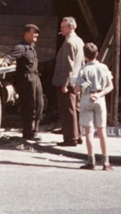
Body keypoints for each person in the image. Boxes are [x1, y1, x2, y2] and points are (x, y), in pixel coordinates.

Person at [74, 43, 114, 171]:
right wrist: (99, 95)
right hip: (100, 98)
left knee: (89, 132)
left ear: (84, 56)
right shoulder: (103, 67)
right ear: (97, 54)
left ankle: (91, 162)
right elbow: (110, 86)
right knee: (102, 131)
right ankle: (106, 162)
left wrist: (76, 87)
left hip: (87, 98)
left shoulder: (83, 69)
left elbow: (77, 89)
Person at [2, 24, 44, 141]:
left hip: (35, 78)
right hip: (27, 81)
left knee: (39, 104)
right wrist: (6, 61)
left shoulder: (32, 47)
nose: (36, 35)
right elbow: (10, 56)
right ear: (26, 34)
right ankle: (29, 132)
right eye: (34, 32)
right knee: (29, 106)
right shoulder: (20, 47)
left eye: (37, 33)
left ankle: (35, 130)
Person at [52, 16, 85, 147]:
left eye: (63, 27)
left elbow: (68, 66)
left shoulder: (69, 43)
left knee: (68, 110)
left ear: (71, 27)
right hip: (76, 81)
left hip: (68, 82)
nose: (61, 29)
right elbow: (81, 63)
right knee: (76, 109)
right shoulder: (79, 40)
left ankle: (71, 138)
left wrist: (64, 84)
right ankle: (78, 135)